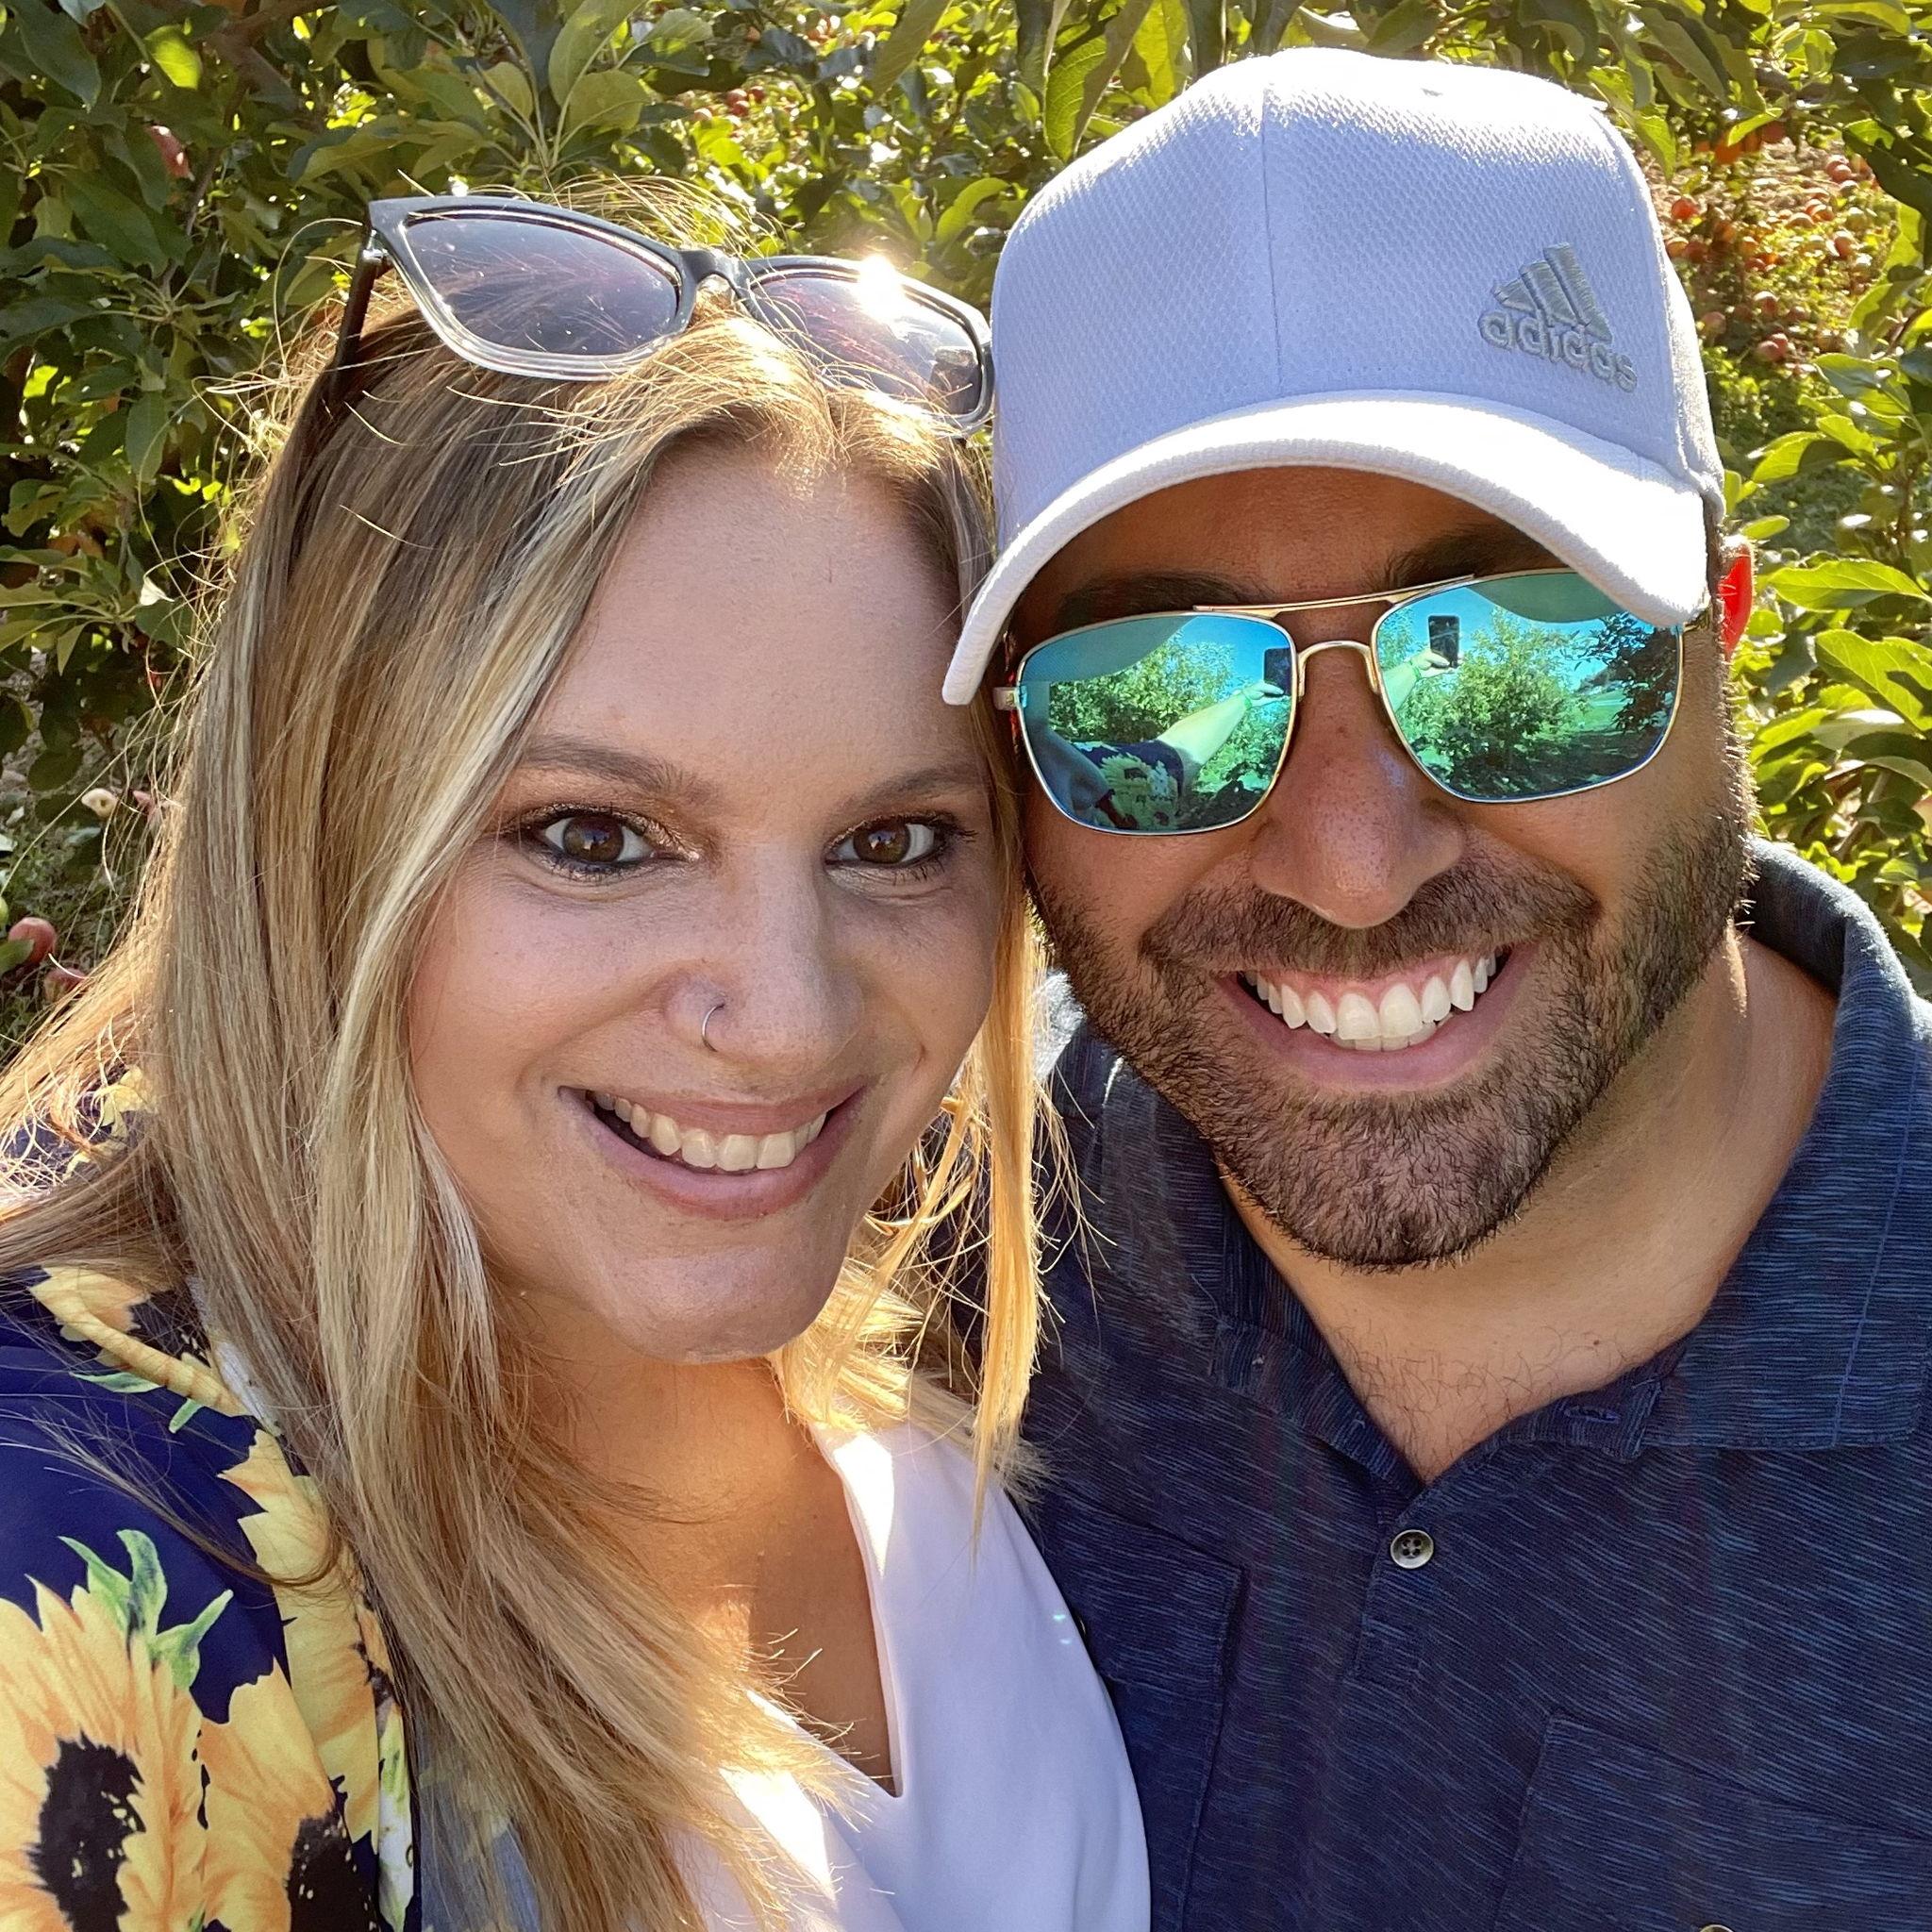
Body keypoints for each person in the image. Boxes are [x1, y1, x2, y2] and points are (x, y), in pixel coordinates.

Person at [0, 198, 1146, 1932]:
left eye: (896, 842)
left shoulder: (952, 1358)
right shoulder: (115, 1582)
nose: (789, 1015)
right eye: (599, 839)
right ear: (317, 842)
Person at [941, 49, 1932, 1930]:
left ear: (1723, 627)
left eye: (1516, 657)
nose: (1352, 862)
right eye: (1153, 694)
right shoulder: (911, 1292)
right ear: (1015, 753)